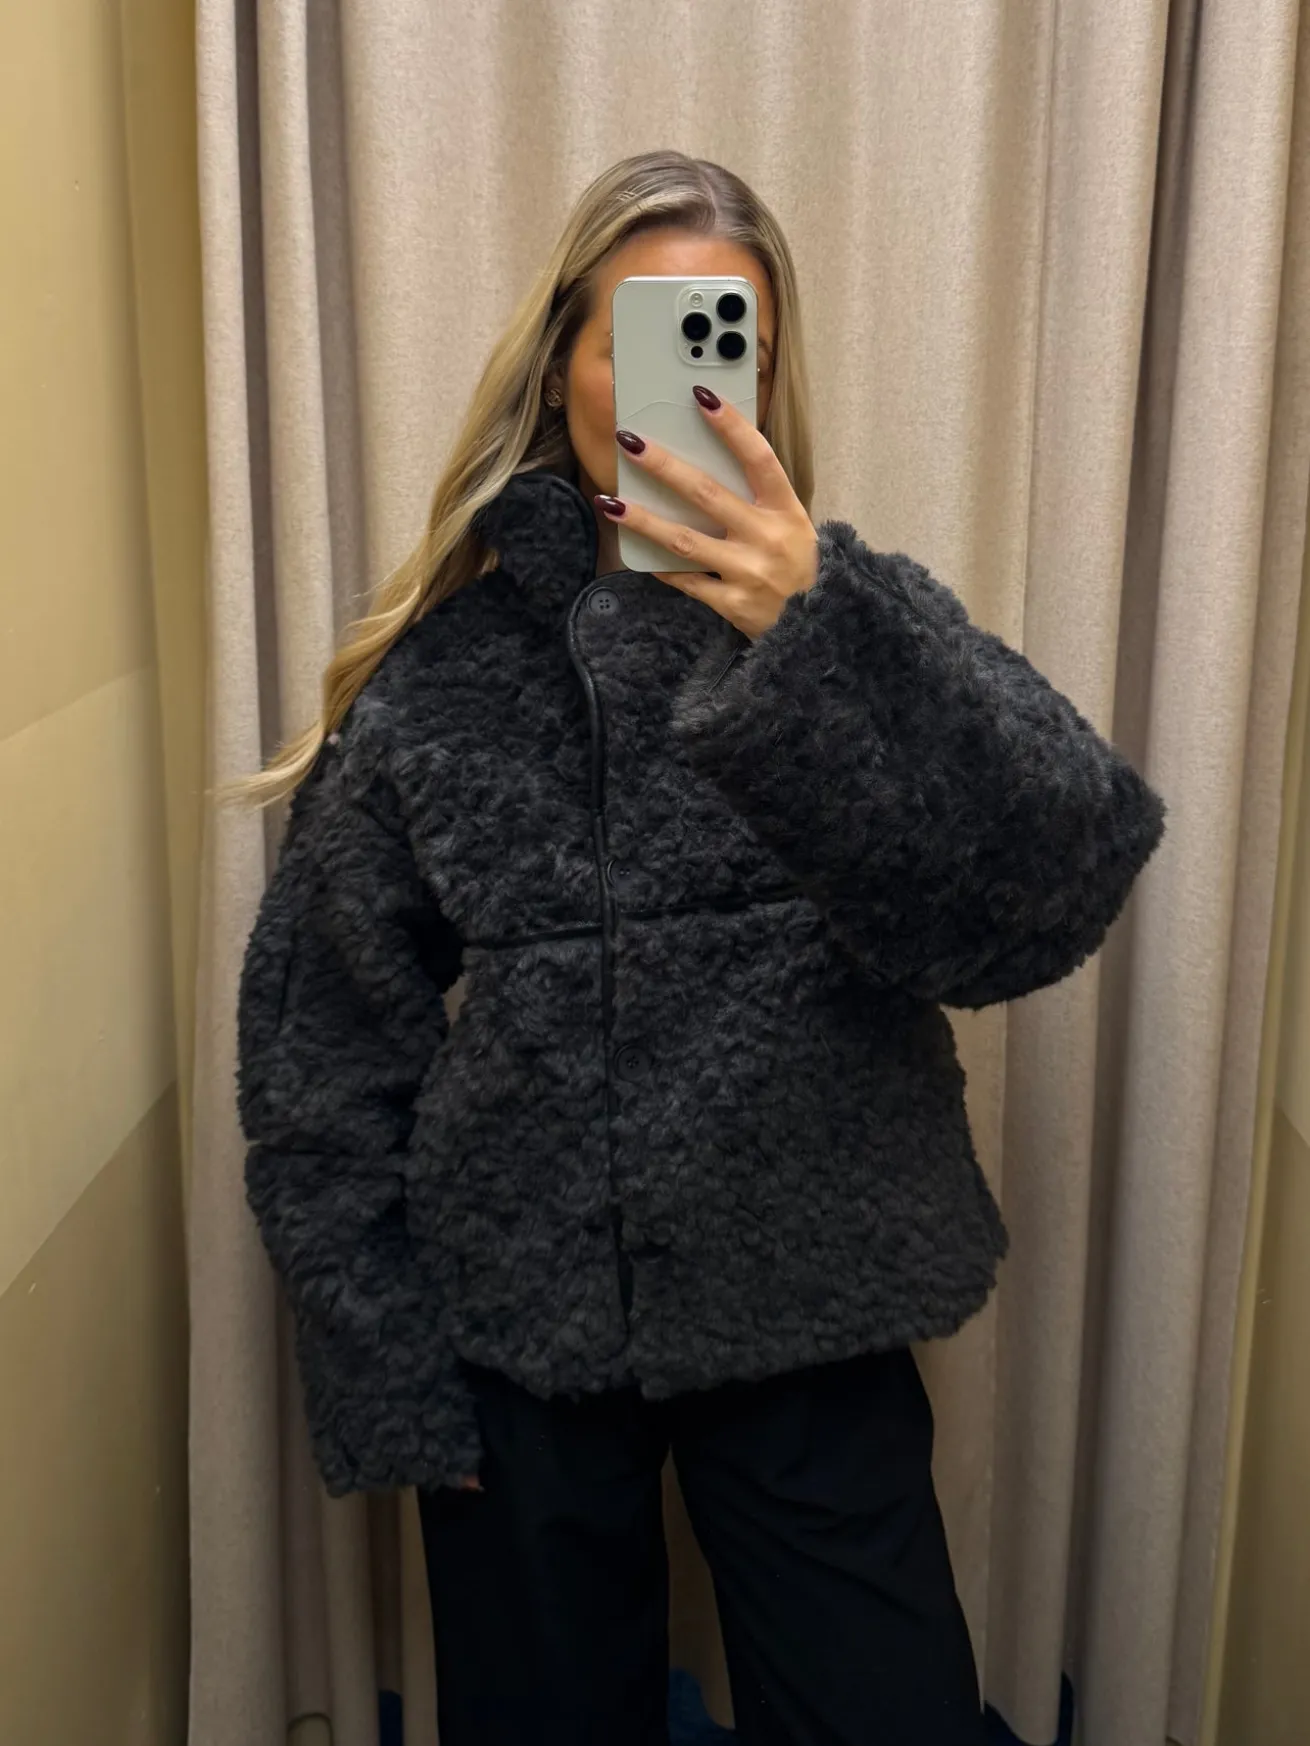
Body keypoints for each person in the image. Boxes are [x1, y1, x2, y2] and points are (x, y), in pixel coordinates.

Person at [231, 149, 1167, 1745]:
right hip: (523, 1322)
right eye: (650, 334)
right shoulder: (443, 678)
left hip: (812, 1299)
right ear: (563, 364)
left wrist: (822, 627)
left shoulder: (850, 616)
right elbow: (324, 1038)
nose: (693, 378)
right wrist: (390, 1359)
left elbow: (1062, 866)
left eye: (730, 338)